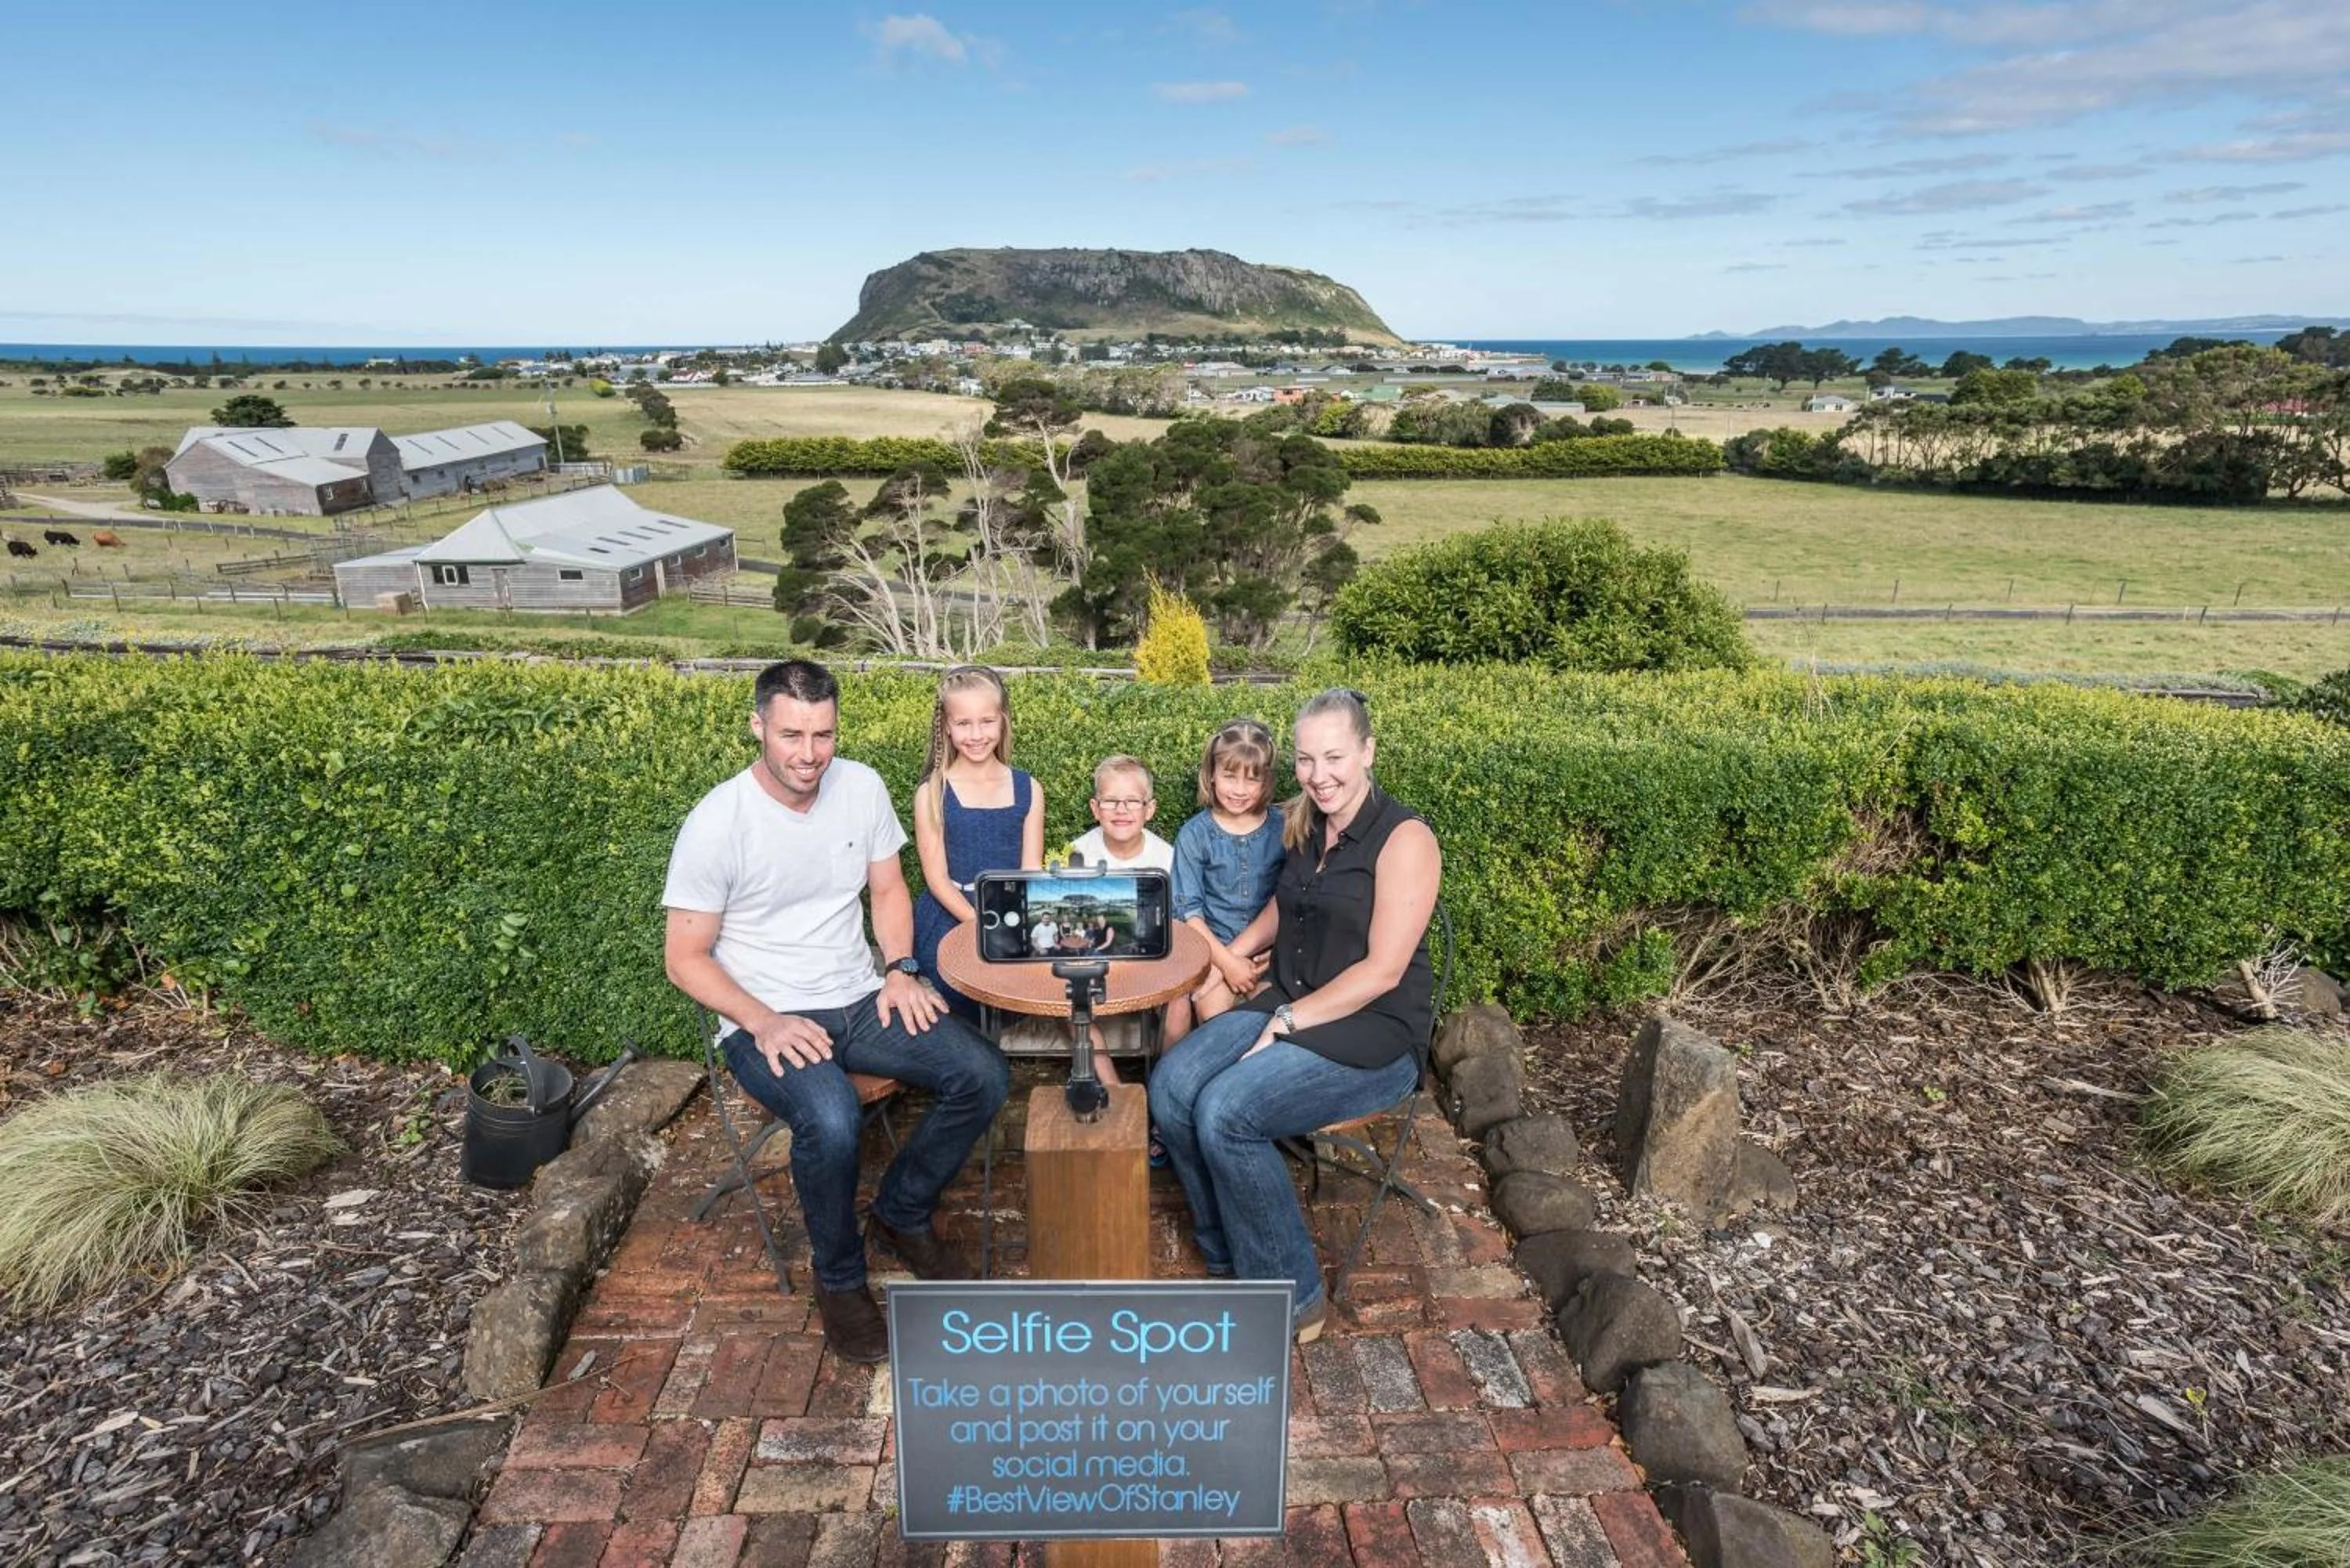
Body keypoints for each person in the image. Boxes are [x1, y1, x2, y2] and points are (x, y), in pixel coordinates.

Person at [663, 660, 1009, 1364]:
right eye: (791, 734)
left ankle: (901, 1213)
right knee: (829, 1117)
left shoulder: (860, 787)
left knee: (982, 1073)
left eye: (822, 734)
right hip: (768, 1014)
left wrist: (899, 969)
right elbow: (685, 957)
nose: (809, 753)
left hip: (859, 995)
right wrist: (762, 1021)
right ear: (757, 726)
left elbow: (887, 890)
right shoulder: (717, 821)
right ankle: (841, 1277)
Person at [1150, 689, 1439, 1345]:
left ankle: (1291, 1296)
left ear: (1367, 750)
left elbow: (1384, 971)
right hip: (1285, 995)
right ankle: (1225, 1250)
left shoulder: (1405, 839)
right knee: (1171, 1085)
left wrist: (1286, 1022)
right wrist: (1235, 953)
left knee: (1227, 1111)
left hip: (1372, 1031)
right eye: (1307, 759)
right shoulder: (1306, 822)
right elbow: (1290, 904)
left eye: (1334, 756)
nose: (1320, 774)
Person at [911, 666, 1043, 1021]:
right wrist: (981, 927)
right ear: (947, 728)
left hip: (1011, 914)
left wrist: (1014, 929)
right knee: (969, 990)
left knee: (1033, 987)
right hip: (953, 917)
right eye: (964, 724)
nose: (976, 735)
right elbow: (937, 880)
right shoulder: (932, 793)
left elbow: (1031, 869)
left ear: (1002, 721)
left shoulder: (1028, 788)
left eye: (986, 722)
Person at [1165, 719, 1286, 1045]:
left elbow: (1296, 898)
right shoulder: (1195, 835)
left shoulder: (1285, 827)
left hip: (1272, 958)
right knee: (1218, 1031)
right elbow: (1190, 914)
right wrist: (1227, 965)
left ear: (1267, 780)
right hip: (1213, 953)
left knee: (1278, 1023)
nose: (1240, 789)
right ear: (1212, 773)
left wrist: (1275, 953)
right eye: (1230, 776)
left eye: (1252, 779)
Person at [1068, 755, 1174, 873]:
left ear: (1149, 809)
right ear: (1095, 809)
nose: (1121, 810)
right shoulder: (1074, 858)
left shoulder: (1168, 861)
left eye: (1133, 801)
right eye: (1110, 801)